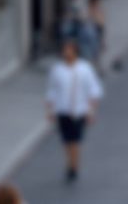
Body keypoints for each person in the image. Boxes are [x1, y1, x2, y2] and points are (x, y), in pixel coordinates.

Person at [44, 35, 103, 184]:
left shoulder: (85, 69)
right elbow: (52, 91)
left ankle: (74, 166)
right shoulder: (57, 70)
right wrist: (50, 110)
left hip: (79, 111)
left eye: (69, 50)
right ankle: (69, 162)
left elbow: (94, 90)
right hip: (63, 110)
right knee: (66, 140)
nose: (66, 53)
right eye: (64, 50)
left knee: (75, 140)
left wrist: (91, 111)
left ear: (75, 51)